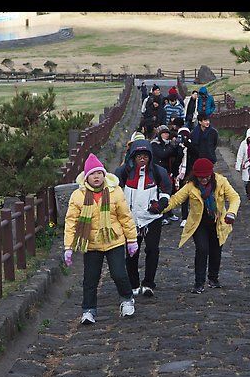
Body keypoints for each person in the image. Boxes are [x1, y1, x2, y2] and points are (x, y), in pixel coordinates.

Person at [63, 153, 138, 324]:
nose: (96, 177)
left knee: (119, 274)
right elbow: (71, 221)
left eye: (99, 173)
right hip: (91, 243)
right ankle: (88, 310)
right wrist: (68, 247)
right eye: (92, 174)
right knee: (90, 279)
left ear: (104, 174)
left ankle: (127, 299)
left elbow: (125, 217)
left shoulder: (115, 191)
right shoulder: (78, 196)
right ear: (86, 177)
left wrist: (132, 240)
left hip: (114, 240)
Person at [161, 158, 241, 294]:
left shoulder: (222, 182)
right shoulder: (190, 186)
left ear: (211, 174)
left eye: (206, 177)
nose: (204, 180)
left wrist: (231, 213)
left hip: (218, 222)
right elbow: (176, 200)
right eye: (201, 177)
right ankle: (199, 283)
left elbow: (234, 198)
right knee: (202, 249)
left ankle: (213, 278)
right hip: (198, 224)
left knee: (216, 250)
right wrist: (159, 208)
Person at [114, 139, 173, 298]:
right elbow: (114, 191)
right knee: (132, 252)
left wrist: (161, 203)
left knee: (152, 250)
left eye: (145, 156)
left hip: (152, 218)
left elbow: (167, 188)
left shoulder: (158, 172)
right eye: (138, 156)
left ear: (150, 157)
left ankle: (148, 283)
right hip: (130, 219)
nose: (142, 159)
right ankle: (133, 284)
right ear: (132, 157)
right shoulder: (122, 172)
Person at [151, 125, 182, 224]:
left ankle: (169, 212)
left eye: (167, 133)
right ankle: (162, 214)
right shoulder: (155, 144)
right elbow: (162, 154)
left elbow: (174, 155)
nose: (166, 135)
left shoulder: (168, 144)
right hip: (158, 172)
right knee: (160, 193)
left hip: (168, 171)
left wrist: (177, 147)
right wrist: (172, 147)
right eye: (164, 133)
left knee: (169, 191)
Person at [235, 128, 250, 201]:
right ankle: (248, 195)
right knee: (247, 181)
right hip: (246, 164)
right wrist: (238, 166)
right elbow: (240, 155)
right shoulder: (243, 144)